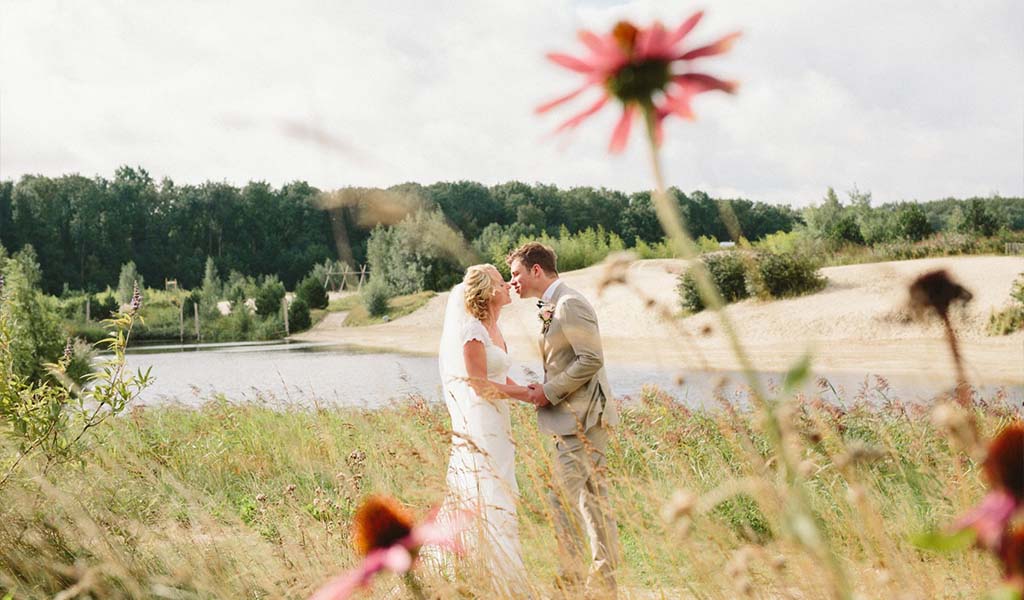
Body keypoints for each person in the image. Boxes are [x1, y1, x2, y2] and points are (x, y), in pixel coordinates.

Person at [507, 241, 620, 597]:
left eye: (516, 274)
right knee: (594, 505)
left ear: (536, 271)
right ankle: (604, 586)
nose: (514, 283)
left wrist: (549, 392)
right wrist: (543, 386)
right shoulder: (552, 305)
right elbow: (567, 360)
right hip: (579, 419)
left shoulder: (570, 304)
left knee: (560, 501)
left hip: (584, 421)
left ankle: (568, 584)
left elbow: (591, 359)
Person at [436, 263, 536, 587]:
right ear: (489, 291)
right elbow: (479, 385)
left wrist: (529, 394)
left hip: (498, 420)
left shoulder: (494, 328)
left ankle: (504, 574)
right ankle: (497, 579)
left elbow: (497, 377)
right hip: (481, 422)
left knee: (502, 488)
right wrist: (525, 393)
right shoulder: (472, 332)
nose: (508, 284)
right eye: (500, 279)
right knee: (488, 491)